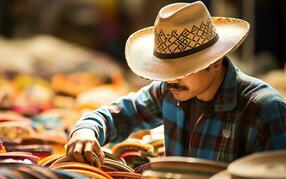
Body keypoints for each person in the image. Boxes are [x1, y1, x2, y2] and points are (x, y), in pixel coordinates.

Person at [66, 1, 286, 163]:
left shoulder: (265, 110)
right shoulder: (167, 91)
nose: (172, 79)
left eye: (184, 69)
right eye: (167, 70)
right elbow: (119, 114)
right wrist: (86, 131)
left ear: (215, 62)